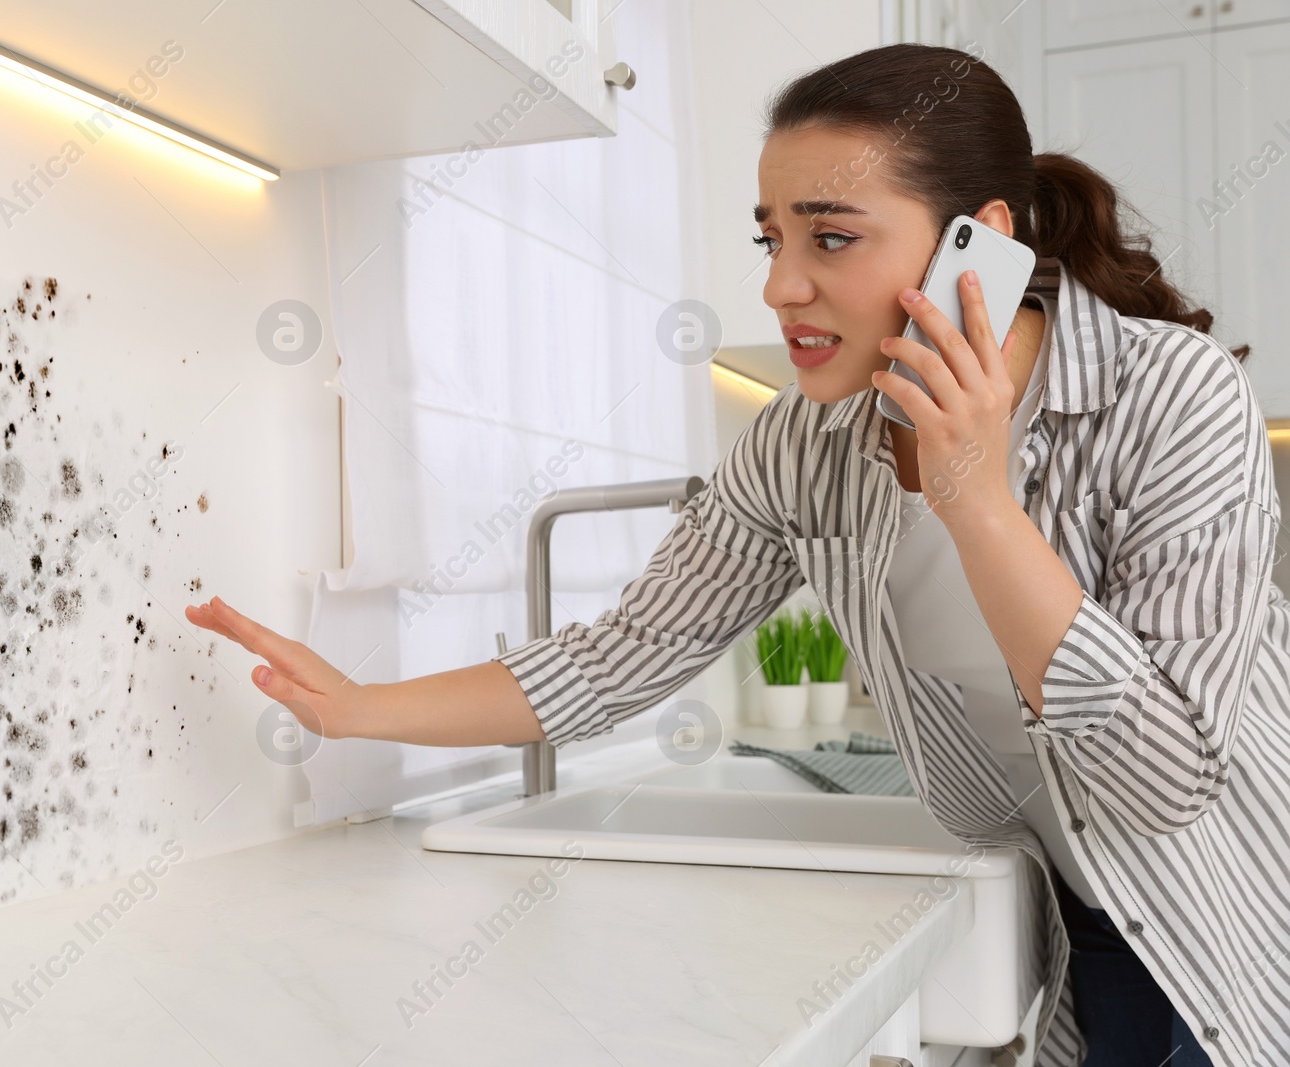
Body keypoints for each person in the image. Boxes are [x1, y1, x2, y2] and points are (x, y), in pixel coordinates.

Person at [188, 43, 1290, 1067]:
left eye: (832, 236)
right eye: (772, 237)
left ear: (983, 243)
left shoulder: (1173, 397)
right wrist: (358, 706)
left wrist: (977, 503)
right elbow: (624, 653)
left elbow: (1167, 780)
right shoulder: (803, 443)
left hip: (1244, 916)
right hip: (1092, 925)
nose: (779, 285)